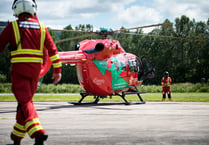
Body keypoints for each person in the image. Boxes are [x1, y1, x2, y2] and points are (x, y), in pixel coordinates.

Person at [0, 0, 62, 145]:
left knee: (25, 101)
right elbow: (53, 50)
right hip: (35, 72)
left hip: (19, 70)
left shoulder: (13, 26)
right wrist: (57, 70)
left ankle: (37, 132)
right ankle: (16, 137)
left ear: (16, 9)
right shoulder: (42, 28)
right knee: (25, 103)